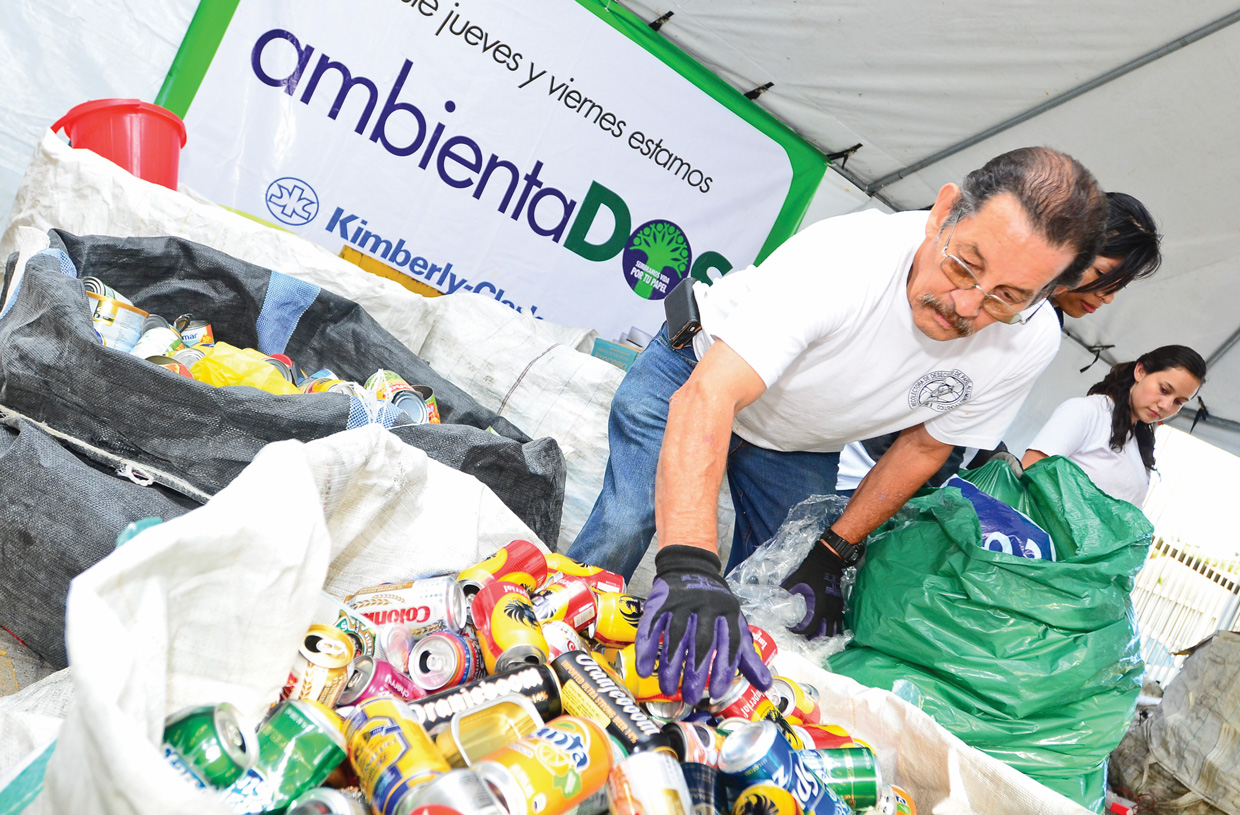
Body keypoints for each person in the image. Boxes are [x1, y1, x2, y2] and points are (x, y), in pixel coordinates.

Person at [566, 146, 1109, 704]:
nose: (968, 306)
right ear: (943, 212)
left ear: (1048, 292)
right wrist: (690, 566)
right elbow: (711, 395)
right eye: (965, 266)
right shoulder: (850, 256)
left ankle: (693, 703)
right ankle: (553, 634)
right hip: (695, 371)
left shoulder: (1028, 342)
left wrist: (833, 549)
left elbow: (925, 447)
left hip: (801, 441)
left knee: (774, 587)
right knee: (626, 523)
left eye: (1007, 297)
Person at [836, 190, 1164, 491]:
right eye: (1102, 276)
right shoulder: (969, 268)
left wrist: (987, 455)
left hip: (904, 472)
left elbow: (967, 400)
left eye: (1119, 286)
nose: (1108, 297)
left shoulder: (1045, 323)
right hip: (856, 450)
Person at [1021, 346, 1206, 506]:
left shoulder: (1139, 445)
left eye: (1178, 402)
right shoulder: (1086, 412)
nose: (1166, 406)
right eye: (1164, 390)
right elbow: (1028, 476)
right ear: (1140, 371)